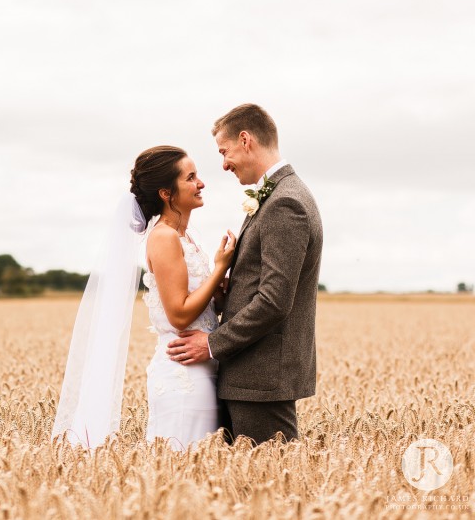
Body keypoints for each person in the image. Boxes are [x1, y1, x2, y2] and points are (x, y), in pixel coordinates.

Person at [51, 145, 236, 450]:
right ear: (166, 193)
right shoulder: (163, 237)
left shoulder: (185, 236)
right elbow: (178, 314)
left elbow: (201, 304)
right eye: (190, 178)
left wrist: (220, 290)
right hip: (183, 374)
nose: (201, 183)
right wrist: (218, 269)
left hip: (203, 366)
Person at [166, 104, 323, 445]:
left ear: (245, 139)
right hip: (251, 375)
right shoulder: (279, 195)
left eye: (224, 152)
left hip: (261, 379)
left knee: (271, 487)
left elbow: (275, 300)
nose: (223, 163)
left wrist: (211, 344)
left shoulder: (285, 203)